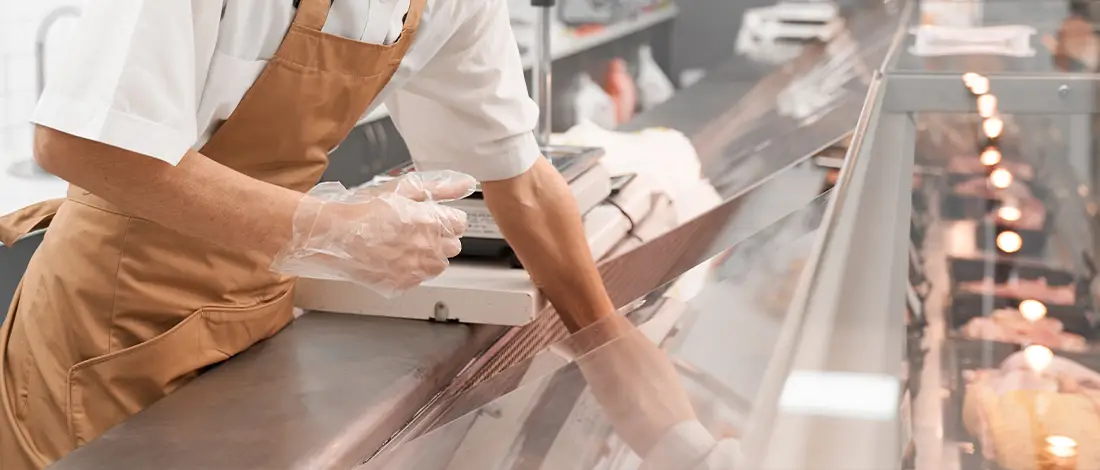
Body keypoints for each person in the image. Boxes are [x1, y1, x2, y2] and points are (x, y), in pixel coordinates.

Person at [0, 0, 628, 468]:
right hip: (105, 329)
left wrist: (616, 356)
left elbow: (517, 176)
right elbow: (80, 142)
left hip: (252, 318)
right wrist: (326, 227)